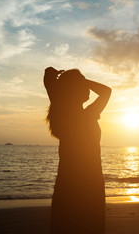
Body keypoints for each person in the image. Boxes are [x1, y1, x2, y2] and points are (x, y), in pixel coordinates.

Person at [44, 67, 111, 234]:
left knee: (66, 226)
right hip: (88, 182)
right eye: (83, 85)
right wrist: (80, 80)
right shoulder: (85, 115)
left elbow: (49, 81)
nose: (88, 89)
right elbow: (106, 91)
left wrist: (55, 77)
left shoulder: (63, 112)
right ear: (74, 89)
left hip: (67, 181)